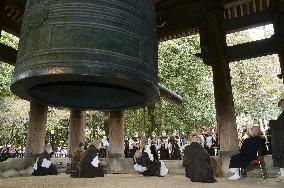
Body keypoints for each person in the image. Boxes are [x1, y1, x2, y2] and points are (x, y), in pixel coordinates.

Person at [269, 99, 284, 182]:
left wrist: (271, 122)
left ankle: (283, 176)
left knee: (282, 157)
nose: (280, 108)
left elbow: (279, 126)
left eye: (280, 106)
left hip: (282, 141)